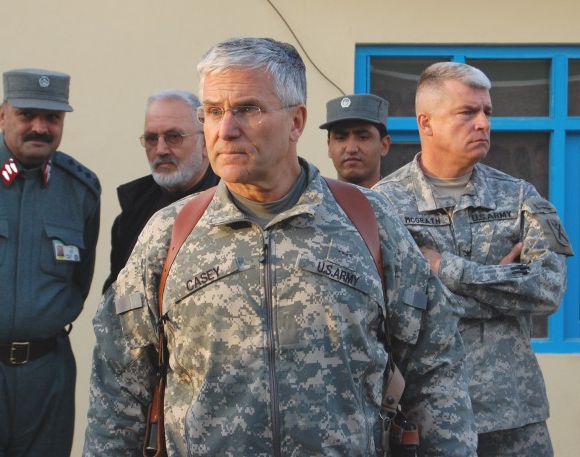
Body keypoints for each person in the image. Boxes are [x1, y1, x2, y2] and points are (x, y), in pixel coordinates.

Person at [83, 37, 476, 456]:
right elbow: (117, 384)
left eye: (248, 109)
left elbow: (435, 366)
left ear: (297, 121)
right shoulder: (170, 233)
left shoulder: (368, 221)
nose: (226, 129)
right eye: (213, 111)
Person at [373, 61, 574, 456]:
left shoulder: (519, 197)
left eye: (487, 112)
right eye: (467, 112)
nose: (483, 123)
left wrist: (443, 268)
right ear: (426, 122)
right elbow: (391, 310)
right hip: (425, 417)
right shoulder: (383, 205)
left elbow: (548, 290)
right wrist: (498, 284)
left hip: (515, 416)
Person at [0, 68, 101, 456]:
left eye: (52, 118)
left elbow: (80, 281)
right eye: (27, 115)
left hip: (45, 381)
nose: (40, 128)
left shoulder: (81, 189)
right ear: (2, 115)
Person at [102, 89, 219, 292]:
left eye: (174, 136)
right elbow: (116, 296)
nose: (161, 149)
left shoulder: (231, 203)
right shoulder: (132, 212)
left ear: (206, 142)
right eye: (151, 138)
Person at [321, 93, 391, 188]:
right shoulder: (311, 202)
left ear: (384, 145)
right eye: (341, 138)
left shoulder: (403, 202)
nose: (351, 149)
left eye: (363, 137)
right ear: (329, 146)